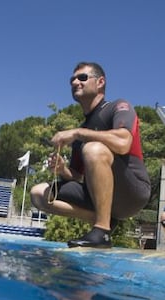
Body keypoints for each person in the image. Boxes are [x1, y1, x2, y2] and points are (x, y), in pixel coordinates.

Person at [30, 62, 151, 248]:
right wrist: (62, 169)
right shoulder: (82, 131)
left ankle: (102, 232)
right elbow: (79, 177)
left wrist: (78, 133)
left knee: (94, 148)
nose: (75, 82)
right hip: (99, 197)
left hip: (132, 192)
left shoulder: (119, 106)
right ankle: (103, 220)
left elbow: (123, 143)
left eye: (82, 77)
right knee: (38, 193)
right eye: (72, 79)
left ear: (100, 82)